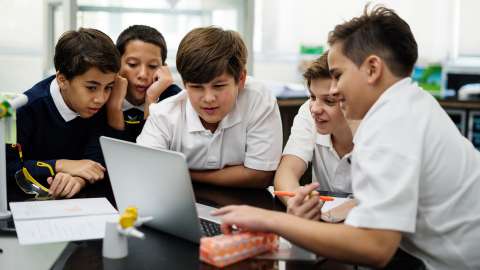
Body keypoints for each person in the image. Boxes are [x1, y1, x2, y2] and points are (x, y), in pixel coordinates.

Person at [213, 5, 480, 269]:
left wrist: (268, 220)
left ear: (372, 69)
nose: (337, 89)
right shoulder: (410, 103)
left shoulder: (391, 122)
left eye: (339, 75)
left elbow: (374, 246)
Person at [137, 26, 282, 188]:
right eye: (197, 87)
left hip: (251, 206)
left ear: (241, 79)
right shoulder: (164, 114)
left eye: (219, 86)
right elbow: (147, 172)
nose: (208, 99)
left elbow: (261, 175)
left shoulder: (258, 98)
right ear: (185, 84)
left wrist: (183, 171)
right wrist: (236, 173)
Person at [7, 28, 120, 199]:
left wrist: (78, 179)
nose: (100, 98)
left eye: (109, 87)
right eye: (91, 88)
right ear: (62, 80)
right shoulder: (25, 109)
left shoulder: (100, 105)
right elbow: (7, 167)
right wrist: (59, 165)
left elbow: (95, 159)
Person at [274, 52, 355, 220]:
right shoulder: (308, 111)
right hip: (323, 223)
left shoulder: (378, 125)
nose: (315, 109)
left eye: (330, 101)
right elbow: (287, 171)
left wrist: (328, 216)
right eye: (312, 96)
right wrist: (297, 205)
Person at [106, 25, 181, 142]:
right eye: (132, 64)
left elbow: (150, 155)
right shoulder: (101, 93)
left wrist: (150, 101)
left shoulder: (175, 100)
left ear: (163, 69)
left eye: (152, 66)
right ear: (117, 63)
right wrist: (114, 107)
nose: (143, 75)